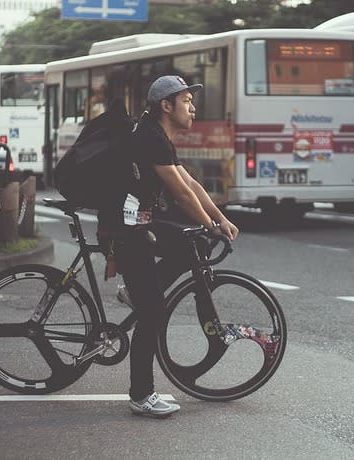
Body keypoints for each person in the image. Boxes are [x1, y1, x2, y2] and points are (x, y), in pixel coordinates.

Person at [97, 75, 239, 418]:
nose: (192, 108)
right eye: (186, 101)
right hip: (125, 229)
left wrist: (218, 219)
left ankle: (138, 292)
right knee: (154, 312)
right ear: (166, 106)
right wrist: (211, 224)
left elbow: (190, 182)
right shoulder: (150, 137)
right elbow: (181, 193)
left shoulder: (156, 134)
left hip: (139, 222)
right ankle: (141, 396)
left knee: (195, 244)